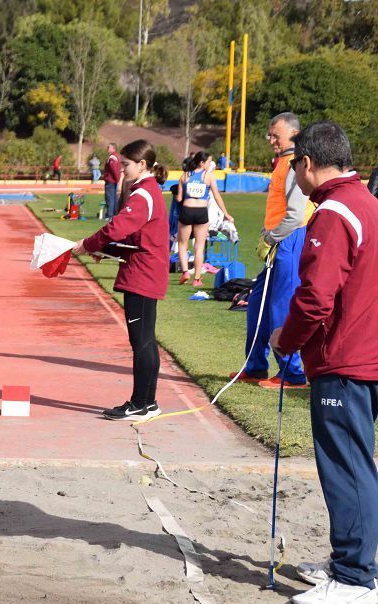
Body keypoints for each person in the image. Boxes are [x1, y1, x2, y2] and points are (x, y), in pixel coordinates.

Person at [271, 121, 378, 604]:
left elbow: (315, 297)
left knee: (347, 466)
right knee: (358, 463)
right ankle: (351, 564)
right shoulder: (367, 203)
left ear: (308, 163)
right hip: (364, 354)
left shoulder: (334, 212)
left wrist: (285, 341)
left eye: (295, 165)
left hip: (346, 359)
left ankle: (356, 576)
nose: (295, 175)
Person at [73, 140, 170, 420]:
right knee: (146, 340)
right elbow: (135, 237)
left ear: (142, 165)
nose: (122, 169)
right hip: (146, 271)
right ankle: (148, 402)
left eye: (126, 164)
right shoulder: (148, 191)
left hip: (141, 275)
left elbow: (117, 228)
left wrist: (89, 244)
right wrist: (106, 250)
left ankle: (140, 403)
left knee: (141, 342)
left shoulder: (143, 195)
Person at [234, 112, 311, 389]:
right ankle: (255, 367)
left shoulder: (295, 166)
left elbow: (295, 214)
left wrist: (271, 238)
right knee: (257, 303)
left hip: (289, 240)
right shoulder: (281, 164)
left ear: (292, 134)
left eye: (274, 135)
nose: (270, 140)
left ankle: (292, 373)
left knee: (281, 307)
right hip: (277, 240)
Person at [175, 151, 233, 287]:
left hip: (186, 211)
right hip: (201, 212)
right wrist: (226, 213)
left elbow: (178, 198)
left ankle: (185, 272)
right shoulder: (208, 176)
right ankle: (196, 279)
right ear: (202, 163)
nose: (210, 164)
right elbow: (217, 196)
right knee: (199, 247)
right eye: (209, 162)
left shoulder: (184, 176)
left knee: (182, 244)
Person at [103, 143, 121, 218]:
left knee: (110, 198)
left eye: (109, 147)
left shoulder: (112, 158)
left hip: (110, 181)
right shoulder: (116, 156)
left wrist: (117, 180)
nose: (107, 148)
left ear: (113, 149)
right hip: (114, 181)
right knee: (114, 198)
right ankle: (115, 214)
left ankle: (109, 215)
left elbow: (114, 170)